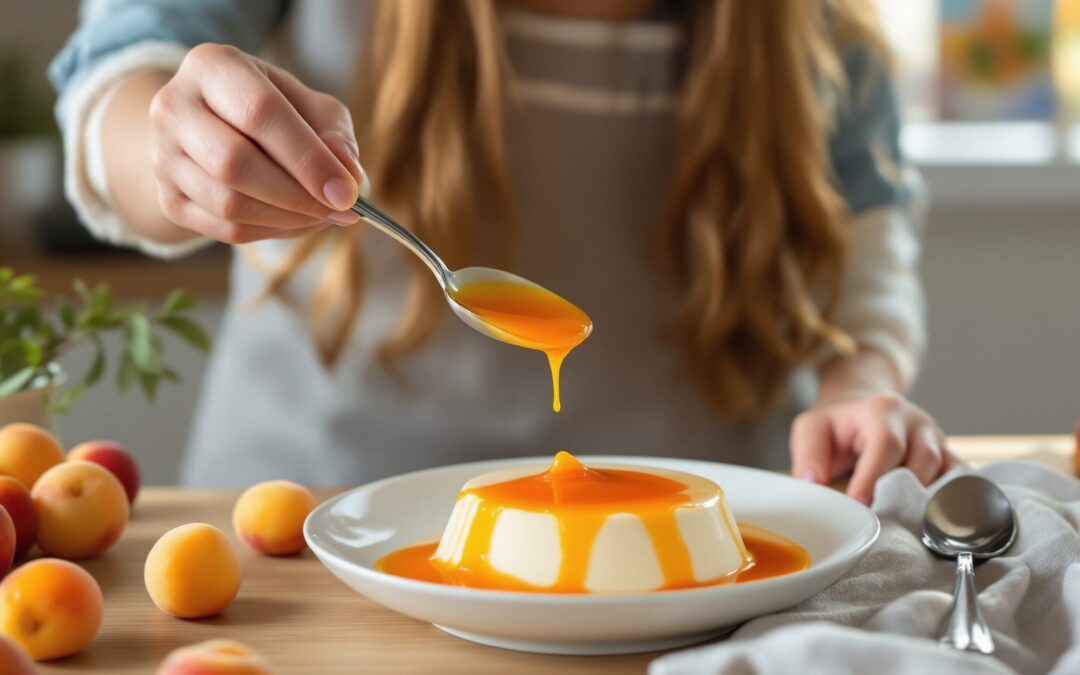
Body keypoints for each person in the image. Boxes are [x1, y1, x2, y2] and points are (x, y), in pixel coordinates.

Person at [49, 0, 955, 502]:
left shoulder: (822, 40)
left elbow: (867, 265)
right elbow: (121, 76)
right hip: (309, 541)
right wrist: (170, 150)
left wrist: (860, 388)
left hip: (701, 578)